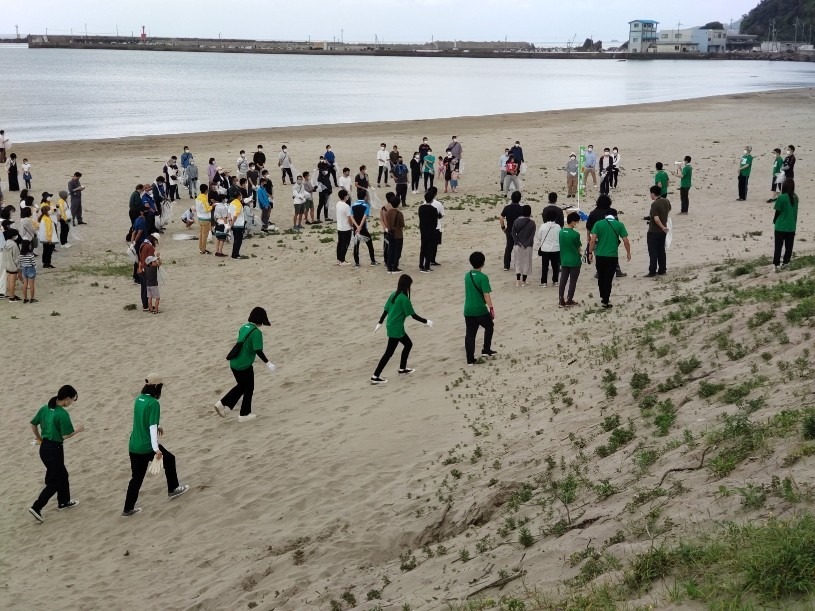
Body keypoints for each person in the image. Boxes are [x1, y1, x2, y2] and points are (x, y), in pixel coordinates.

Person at [122, 375, 190, 517]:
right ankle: (173, 489)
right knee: (169, 459)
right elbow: (152, 427)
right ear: (156, 387)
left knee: (136, 478)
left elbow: (143, 420)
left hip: (133, 445)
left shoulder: (138, 400)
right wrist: (156, 449)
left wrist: (158, 425)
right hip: (146, 446)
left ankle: (127, 510)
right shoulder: (153, 403)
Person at [28, 385, 82, 522]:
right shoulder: (62, 414)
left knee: (62, 474)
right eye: (72, 400)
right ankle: (37, 507)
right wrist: (79, 430)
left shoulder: (45, 408)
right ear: (67, 399)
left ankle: (64, 502)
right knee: (55, 481)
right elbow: (66, 435)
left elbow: (33, 424)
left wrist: (39, 438)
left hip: (44, 448)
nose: (71, 403)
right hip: (55, 449)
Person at [215, 307, 275, 422]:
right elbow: (258, 350)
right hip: (244, 365)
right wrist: (268, 363)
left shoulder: (243, 327)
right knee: (249, 388)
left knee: (241, 386)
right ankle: (244, 414)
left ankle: (223, 405)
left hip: (234, 362)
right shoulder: (257, 333)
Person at [371, 274, 431, 384]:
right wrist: (426, 321)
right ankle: (375, 376)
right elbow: (413, 315)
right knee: (389, 353)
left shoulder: (393, 294)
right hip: (396, 328)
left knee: (408, 344)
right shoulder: (404, 299)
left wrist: (380, 322)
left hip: (391, 325)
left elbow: (386, 310)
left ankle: (402, 369)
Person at [589, 207, 631, 309]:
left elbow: (593, 240)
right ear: (615, 216)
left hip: (600, 255)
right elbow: (626, 241)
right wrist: (628, 253)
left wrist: (590, 252)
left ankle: (603, 296)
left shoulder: (598, 224)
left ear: (605, 216)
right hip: (612, 256)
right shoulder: (619, 225)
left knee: (601, 277)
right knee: (608, 278)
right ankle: (606, 300)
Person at [464, 251, 496, 366]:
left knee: (470, 334)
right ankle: (486, 350)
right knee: (489, 326)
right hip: (480, 310)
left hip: (468, 310)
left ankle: (470, 359)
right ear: (483, 263)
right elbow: (486, 295)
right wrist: (491, 308)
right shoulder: (483, 277)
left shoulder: (467, 275)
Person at [773, 179, 798, 272]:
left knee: (778, 246)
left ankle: (776, 265)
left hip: (780, 226)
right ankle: (786, 263)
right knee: (789, 246)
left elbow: (777, 211)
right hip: (791, 226)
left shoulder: (781, 197)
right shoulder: (796, 198)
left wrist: (774, 221)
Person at [558, 213, 583, 308]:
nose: (577, 223)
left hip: (564, 259)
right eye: (576, 221)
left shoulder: (561, 232)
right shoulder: (576, 234)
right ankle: (569, 299)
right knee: (572, 281)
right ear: (573, 222)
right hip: (574, 260)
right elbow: (578, 248)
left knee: (563, 280)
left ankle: (561, 299)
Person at [646, 185, 671, 277]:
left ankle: (652, 271)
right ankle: (662, 269)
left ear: (653, 193)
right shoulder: (666, 201)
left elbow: (656, 219)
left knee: (653, 252)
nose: (650, 195)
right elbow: (668, 210)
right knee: (661, 251)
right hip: (662, 232)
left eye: (650, 194)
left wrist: (662, 226)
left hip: (654, 231)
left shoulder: (654, 204)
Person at [351, 191, 378, 268]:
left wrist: (357, 226)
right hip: (363, 228)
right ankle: (372, 261)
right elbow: (364, 217)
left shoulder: (353, 205)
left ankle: (357, 263)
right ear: (365, 196)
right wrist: (360, 227)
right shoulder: (366, 205)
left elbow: (351, 217)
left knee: (356, 245)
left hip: (355, 229)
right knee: (369, 244)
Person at [534, 208, 561, 288]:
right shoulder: (558, 226)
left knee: (545, 266)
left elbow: (539, 237)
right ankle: (555, 281)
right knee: (555, 266)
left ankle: (544, 282)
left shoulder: (543, 226)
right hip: (556, 248)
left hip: (545, 249)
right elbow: (559, 237)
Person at [511, 205, 536, 287]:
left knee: (518, 262)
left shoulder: (516, 221)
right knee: (527, 263)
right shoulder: (532, 223)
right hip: (528, 246)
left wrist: (518, 242)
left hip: (517, 245)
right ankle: (524, 281)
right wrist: (526, 244)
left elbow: (513, 233)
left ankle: (518, 280)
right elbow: (532, 236)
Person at [500, 191, 523, 270]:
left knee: (508, 248)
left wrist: (503, 227)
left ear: (511, 198)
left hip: (509, 230)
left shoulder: (507, 208)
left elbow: (501, 218)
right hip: (519, 231)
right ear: (519, 199)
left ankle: (506, 266)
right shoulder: (521, 209)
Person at [418, 191, 440, 273]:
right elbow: (435, 222)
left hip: (423, 230)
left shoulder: (421, 208)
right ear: (432, 200)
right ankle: (427, 266)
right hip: (431, 231)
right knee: (429, 248)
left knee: (423, 247)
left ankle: (421, 264)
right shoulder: (433, 209)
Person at [137, 234, 159, 311]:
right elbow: (151, 260)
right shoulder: (149, 247)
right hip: (147, 270)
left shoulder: (143, 244)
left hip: (140, 268)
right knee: (147, 289)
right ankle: (147, 306)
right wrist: (158, 258)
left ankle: (144, 305)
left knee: (143, 288)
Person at [386, 194, 405, 273]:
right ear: (398, 203)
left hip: (390, 234)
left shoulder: (388, 212)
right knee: (397, 251)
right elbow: (402, 225)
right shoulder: (399, 213)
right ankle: (395, 267)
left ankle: (389, 266)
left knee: (390, 250)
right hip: (398, 235)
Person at [37, 203, 58, 269]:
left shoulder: (43, 217)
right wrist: (49, 239)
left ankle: (45, 263)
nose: (51, 211)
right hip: (48, 238)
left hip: (44, 238)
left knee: (45, 250)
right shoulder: (47, 219)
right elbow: (49, 229)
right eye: (49, 210)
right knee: (48, 251)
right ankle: (47, 263)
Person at [335, 189, 352, 265]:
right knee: (345, 244)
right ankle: (342, 260)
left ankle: (339, 259)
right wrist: (352, 225)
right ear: (345, 196)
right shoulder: (346, 206)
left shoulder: (338, 204)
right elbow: (349, 218)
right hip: (346, 228)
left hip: (339, 227)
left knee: (340, 243)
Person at [3, 227, 21, 301]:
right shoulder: (14, 245)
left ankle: (11, 294)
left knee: (9, 281)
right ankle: (12, 297)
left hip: (6, 265)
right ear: (13, 236)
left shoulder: (5, 243)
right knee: (12, 282)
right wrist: (19, 267)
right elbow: (16, 258)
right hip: (13, 266)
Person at [429, 187, 445, 265]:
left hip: (426, 227)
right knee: (434, 245)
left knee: (427, 244)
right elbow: (442, 215)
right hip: (436, 226)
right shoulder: (438, 204)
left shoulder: (424, 203)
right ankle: (432, 260)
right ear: (435, 194)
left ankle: (427, 259)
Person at [195, 184, 212, 254]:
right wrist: (212, 206)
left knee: (201, 234)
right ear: (206, 190)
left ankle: (201, 248)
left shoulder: (198, 197)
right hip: (205, 219)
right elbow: (206, 209)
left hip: (200, 218)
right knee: (205, 235)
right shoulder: (204, 198)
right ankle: (203, 249)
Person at [229, 191, 246, 259]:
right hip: (238, 224)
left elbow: (229, 212)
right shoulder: (238, 204)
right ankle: (235, 254)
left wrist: (230, 222)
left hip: (234, 225)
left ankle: (234, 253)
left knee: (235, 239)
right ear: (239, 196)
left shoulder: (232, 203)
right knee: (238, 240)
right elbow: (236, 215)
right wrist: (232, 223)